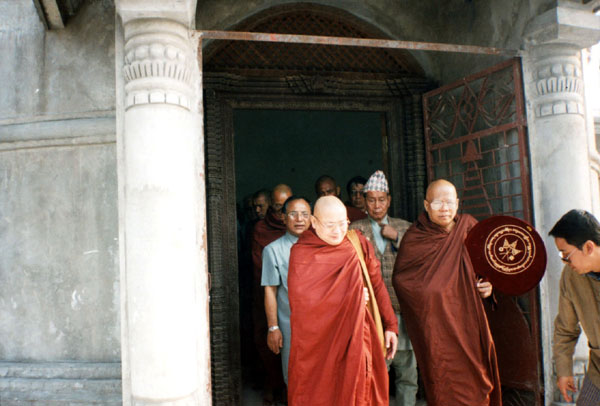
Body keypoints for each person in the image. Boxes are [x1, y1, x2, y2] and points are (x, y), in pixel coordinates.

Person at [392, 179, 501, 406]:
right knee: (443, 383)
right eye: (437, 203)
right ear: (426, 205)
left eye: (449, 202)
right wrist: (431, 294)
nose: (444, 208)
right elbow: (402, 281)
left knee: (478, 380)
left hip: (469, 324)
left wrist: (488, 287)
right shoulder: (415, 238)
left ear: (458, 203)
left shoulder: (469, 228)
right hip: (436, 328)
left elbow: (487, 269)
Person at [287, 196, 398, 406]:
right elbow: (303, 304)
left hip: (357, 336)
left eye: (342, 223)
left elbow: (376, 284)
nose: (338, 231)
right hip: (318, 347)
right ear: (314, 222)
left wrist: (391, 324)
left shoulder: (357, 243)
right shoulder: (302, 253)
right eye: (330, 225)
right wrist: (352, 296)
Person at [349, 170, 417, 406]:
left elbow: (421, 259)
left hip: (403, 311)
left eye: (381, 200)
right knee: (375, 373)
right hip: (372, 313)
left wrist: (397, 237)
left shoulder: (405, 228)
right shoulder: (354, 230)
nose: (376, 205)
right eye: (371, 200)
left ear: (389, 201)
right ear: (364, 201)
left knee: (408, 374)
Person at [549, 209, 600, 405]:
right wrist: (564, 371)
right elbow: (565, 328)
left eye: (566, 255)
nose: (565, 262)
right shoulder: (571, 277)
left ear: (588, 247)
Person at [261, 196, 311, 385]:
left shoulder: (322, 247)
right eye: (293, 214)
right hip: (290, 326)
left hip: (321, 325)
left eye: (304, 214)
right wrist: (273, 327)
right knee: (295, 379)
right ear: (283, 217)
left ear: (312, 218)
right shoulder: (273, 250)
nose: (299, 219)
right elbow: (270, 291)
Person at [251, 184, 293, 405]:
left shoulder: (305, 231)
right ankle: (273, 384)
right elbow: (261, 267)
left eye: (287, 207)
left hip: (295, 300)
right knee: (270, 340)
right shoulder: (262, 229)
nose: (283, 213)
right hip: (268, 292)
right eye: (278, 207)